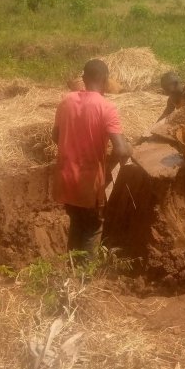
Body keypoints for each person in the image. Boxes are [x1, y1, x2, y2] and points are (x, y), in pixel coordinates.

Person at [52, 59, 132, 258]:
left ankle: (71, 274)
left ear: (84, 78)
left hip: (65, 179)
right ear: (105, 80)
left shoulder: (65, 101)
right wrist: (127, 150)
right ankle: (85, 280)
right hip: (88, 183)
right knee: (92, 228)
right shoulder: (107, 108)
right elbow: (121, 151)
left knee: (77, 224)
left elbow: (56, 136)